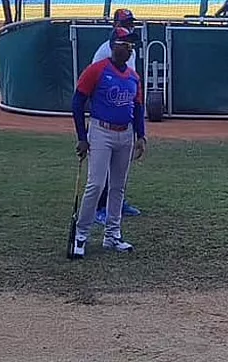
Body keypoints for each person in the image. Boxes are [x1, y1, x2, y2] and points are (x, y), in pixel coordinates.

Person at [69, 26, 147, 259]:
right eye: (125, 44)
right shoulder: (97, 70)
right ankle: (81, 235)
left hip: (126, 134)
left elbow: (138, 107)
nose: (129, 49)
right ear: (113, 46)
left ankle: (112, 235)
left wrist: (141, 136)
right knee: (96, 184)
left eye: (131, 45)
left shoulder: (134, 76)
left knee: (118, 186)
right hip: (101, 131)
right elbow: (77, 102)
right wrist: (82, 138)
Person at [91, 8, 143, 223]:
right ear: (114, 25)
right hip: (105, 118)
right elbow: (93, 81)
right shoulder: (104, 51)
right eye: (125, 22)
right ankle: (99, 208)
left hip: (126, 114)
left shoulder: (132, 50)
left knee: (120, 168)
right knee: (101, 171)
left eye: (131, 22)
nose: (129, 25)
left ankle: (116, 203)